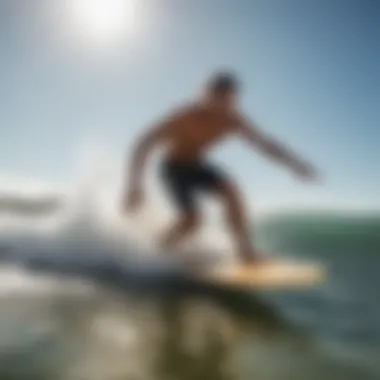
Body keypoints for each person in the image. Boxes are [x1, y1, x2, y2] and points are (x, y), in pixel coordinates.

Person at [123, 72, 318, 264]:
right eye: (218, 96)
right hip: (173, 168)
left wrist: (295, 164)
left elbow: (265, 145)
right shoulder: (184, 116)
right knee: (192, 221)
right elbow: (144, 142)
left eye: (229, 98)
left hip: (196, 165)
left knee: (231, 190)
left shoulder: (233, 120)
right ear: (205, 94)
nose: (223, 103)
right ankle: (157, 253)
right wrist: (134, 185)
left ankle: (245, 252)